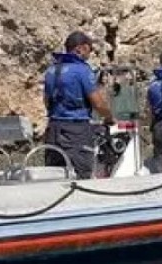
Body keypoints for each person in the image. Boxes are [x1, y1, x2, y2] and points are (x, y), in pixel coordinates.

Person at [42, 31, 111, 179]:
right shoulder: (82, 70)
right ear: (81, 48)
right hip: (76, 131)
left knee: (53, 175)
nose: (89, 54)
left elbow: (47, 101)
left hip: (53, 129)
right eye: (89, 50)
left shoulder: (51, 70)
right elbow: (98, 103)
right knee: (82, 174)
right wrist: (109, 117)